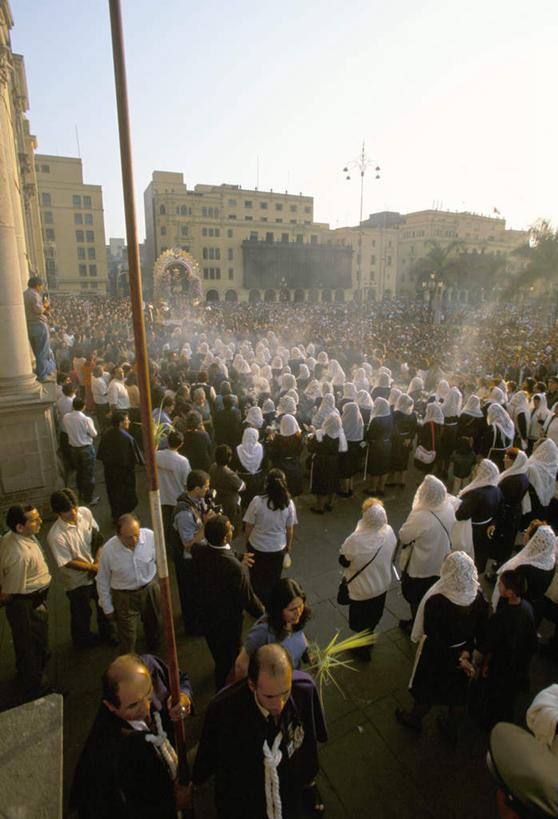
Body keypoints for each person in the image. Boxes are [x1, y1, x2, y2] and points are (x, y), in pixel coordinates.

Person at [192, 643, 328, 819]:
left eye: (285, 693)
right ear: (252, 685)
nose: (279, 704)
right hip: (248, 798)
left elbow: (311, 735)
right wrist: (195, 782)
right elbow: (209, 753)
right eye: (270, 696)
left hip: (290, 787)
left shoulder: (304, 690)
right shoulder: (224, 710)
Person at [70, 653, 193, 819]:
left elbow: (181, 680)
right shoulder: (109, 754)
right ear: (110, 706)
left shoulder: (149, 667)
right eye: (133, 705)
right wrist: (173, 803)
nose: (146, 709)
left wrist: (184, 699)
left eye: (149, 692)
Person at [395, 551, 489, 743]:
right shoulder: (478, 597)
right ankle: (451, 728)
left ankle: (414, 719)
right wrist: (465, 654)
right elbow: (481, 630)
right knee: (458, 694)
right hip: (463, 651)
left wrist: (456, 659)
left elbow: (433, 636)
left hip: (436, 655)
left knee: (427, 688)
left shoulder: (437, 601)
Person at [191, 515, 264, 689]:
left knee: (217, 652)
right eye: (230, 528)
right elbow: (248, 598)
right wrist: (265, 613)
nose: (232, 529)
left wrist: (238, 556)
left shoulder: (199, 551)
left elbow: (215, 552)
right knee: (229, 661)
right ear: (226, 537)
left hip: (206, 616)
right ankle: (223, 691)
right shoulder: (235, 569)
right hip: (227, 622)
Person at [47, 488, 116, 648]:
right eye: (68, 512)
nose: (74, 514)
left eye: (75, 508)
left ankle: (108, 632)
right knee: (81, 612)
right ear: (58, 513)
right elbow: (67, 562)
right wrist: (92, 568)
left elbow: (97, 538)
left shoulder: (85, 513)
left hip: (95, 571)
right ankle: (82, 639)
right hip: (76, 581)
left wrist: (97, 562)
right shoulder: (55, 535)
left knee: (103, 602)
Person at [0, 505, 52, 701]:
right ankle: (36, 688)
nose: (39, 522)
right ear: (20, 527)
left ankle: (27, 676)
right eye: (34, 520)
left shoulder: (11, 537)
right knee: (35, 647)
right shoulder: (18, 556)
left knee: (26, 645)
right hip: (26, 606)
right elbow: (8, 593)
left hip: (29, 601)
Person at [339, 499, 397, 660]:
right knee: (373, 616)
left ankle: (362, 650)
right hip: (382, 585)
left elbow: (343, 560)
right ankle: (369, 638)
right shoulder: (389, 531)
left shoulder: (355, 539)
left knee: (360, 620)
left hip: (362, 590)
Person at [96, 513, 162, 653]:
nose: (134, 540)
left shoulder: (150, 537)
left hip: (149, 589)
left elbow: (160, 561)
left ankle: (153, 654)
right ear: (118, 535)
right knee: (127, 636)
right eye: (128, 537)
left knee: (153, 625)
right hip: (124, 596)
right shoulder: (108, 550)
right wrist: (107, 607)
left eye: (136, 535)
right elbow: (102, 579)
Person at [479, 569, 537, 728]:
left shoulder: (503, 617)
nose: (498, 586)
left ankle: (489, 721)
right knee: (508, 695)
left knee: (495, 694)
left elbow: (492, 644)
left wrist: (486, 664)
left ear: (510, 592)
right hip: (518, 663)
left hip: (501, 664)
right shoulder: (527, 607)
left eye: (501, 584)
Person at [398, 475, 456, 630]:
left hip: (420, 565)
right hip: (439, 561)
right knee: (430, 594)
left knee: (416, 597)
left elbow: (404, 536)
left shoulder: (421, 515)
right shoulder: (448, 507)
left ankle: (416, 625)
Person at [233, 577, 311, 679]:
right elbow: (241, 665)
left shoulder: (294, 619)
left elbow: (300, 636)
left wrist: (308, 656)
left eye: (300, 606)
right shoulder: (262, 631)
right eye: (292, 609)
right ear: (279, 609)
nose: (298, 613)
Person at [243, 468, 297, 608]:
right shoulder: (288, 503)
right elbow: (290, 528)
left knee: (256, 578)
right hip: (277, 547)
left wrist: (247, 541)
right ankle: (270, 604)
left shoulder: (257, 501)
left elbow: (248, 525)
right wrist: (288, 546)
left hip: (257, 545)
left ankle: (257, 604)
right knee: (273, 578)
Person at [171, 469, 214, 634]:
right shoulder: (184, 513)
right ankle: (194, 626)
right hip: (188, 561)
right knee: (191, 593)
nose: (207, 490)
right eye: (205, 487)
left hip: (196, 557)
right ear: (196, 489)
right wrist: (206, 525)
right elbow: (188, 543)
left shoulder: (195, 502)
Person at [493, 521, 557, 627]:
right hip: (535, 609)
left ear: (534, 541)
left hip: (515, 612)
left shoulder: (524, 569)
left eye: (527, 532)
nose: (524, 533)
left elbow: (509, 592)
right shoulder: (550, 561)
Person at [452, 459, 502, 574]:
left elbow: (461, 514)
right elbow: (499, 510)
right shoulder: (497, 490)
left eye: (475, 471)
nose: (473, 473)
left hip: (472, 531)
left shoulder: (477, 493)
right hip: (486, 529)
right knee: (479, 557)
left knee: (468, 558)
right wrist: (493, 524)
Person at [97, 410, 143, 521]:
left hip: (110, 473)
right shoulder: (127, 438)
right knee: (126, 497)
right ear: (121, 422)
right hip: (125, 474)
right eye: (127, 420)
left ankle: (116, 517)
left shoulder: (106, 435)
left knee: (114, 496)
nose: (129, 422)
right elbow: (138, 458)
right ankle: (127, 518)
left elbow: (101, 455)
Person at [155, 430, 191, 543]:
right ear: (181, 444)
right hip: (176, 498)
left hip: (162, 497)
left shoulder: (157, 455)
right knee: (177, 527)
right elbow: (186, 483)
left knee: (164, 524)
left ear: (167, 441)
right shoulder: (183, 461)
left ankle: (166, 545)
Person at [63, 396, 100, 506]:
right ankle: (89, 497)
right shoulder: (86, 419)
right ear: (83, 407)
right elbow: (94, 434)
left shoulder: (66, 417)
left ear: (73, 406)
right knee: (88, 473)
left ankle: (80, 493)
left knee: (79, 472)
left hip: (74, 448)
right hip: (86, 448)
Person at [308, 412, 346, 513]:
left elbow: (311, 448)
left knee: (320, 482)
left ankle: (319, 507)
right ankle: (330, 503)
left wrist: (312, 435)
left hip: (321, 462)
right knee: (332, 481)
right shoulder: (340, 435)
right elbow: (342, 449)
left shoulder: (320, 433)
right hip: (334, 461)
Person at [23, 274, 55, 381]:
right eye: (41, 286)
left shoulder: (24, 294)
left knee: (37, 350)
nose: (41, 288)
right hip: (38, 325)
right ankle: (43, 375)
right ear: (37, 285)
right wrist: (45, 305)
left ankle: (40, 371)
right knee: (42, 350)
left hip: (29, 325)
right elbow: (39, 310)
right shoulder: (34, 294)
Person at [266, 413, 304, 498]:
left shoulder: (279, 438)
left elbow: (271, 455)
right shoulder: (298, 437)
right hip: (294, 465)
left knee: (281, 490)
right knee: (293, 490)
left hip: (281, 467)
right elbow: (300, 451)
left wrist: (270, 440)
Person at [209, 444, 245, 534]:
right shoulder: (230, 475)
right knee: (229, 528)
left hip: (217, 500)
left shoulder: (212, 467)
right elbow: (242, 487)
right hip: (230, 505)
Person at [390, 393, 418, 489]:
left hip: (396, 440)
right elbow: (414, 428)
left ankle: (393, 481)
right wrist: (410, 438)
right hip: (407, 440)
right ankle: (402, 481)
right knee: (404, 459)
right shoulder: (412, 415)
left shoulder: (395, 414)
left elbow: (392, 428)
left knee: (394, 458)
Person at [234, 426, 265, 508]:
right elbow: (265, 464)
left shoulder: (238, 449)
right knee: (256, 501)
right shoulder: (261, 447)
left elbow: (234, 465)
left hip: (243, 480)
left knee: (245, 502)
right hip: (257, 479)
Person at [339, 401, 364, 497]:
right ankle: (351, 487)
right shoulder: (359, 420)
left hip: (346, 447)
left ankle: (345, 490)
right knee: (352, 468)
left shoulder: (345, 420)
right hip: (356, 447)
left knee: (345, 468)